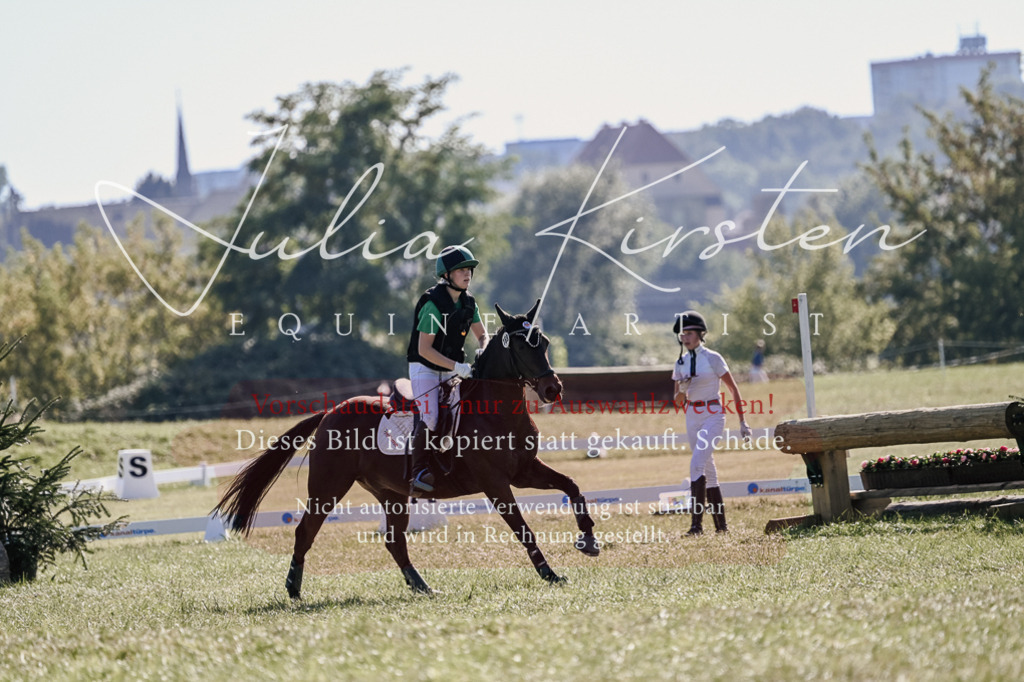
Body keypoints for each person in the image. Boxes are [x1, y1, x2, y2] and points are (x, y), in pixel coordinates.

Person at [406, 245, 488, 493]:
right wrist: (458, 367)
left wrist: (483, 349)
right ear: (447, 275)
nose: (467, 274)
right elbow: (424, 350)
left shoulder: (469, 302)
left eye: (469, 269)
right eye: (461, 270)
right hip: (424, 368)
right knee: (431, 416)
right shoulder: (433, 304)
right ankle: (418, 472)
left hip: (453, 368)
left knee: (463, 412)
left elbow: (482, 335)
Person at [672, 310, 752, 535]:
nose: (685, 338)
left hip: (713, 414)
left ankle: (696, 526)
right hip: (692, 415)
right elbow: (677, 401)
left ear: (700, 334)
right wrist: (683, 389)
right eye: (682, 334)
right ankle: (721, 527)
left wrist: (742, 421)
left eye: (689, 333)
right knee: (709, 469)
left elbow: (733, 388)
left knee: (696, 464)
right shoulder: (680, 362)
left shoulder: (713, 358)